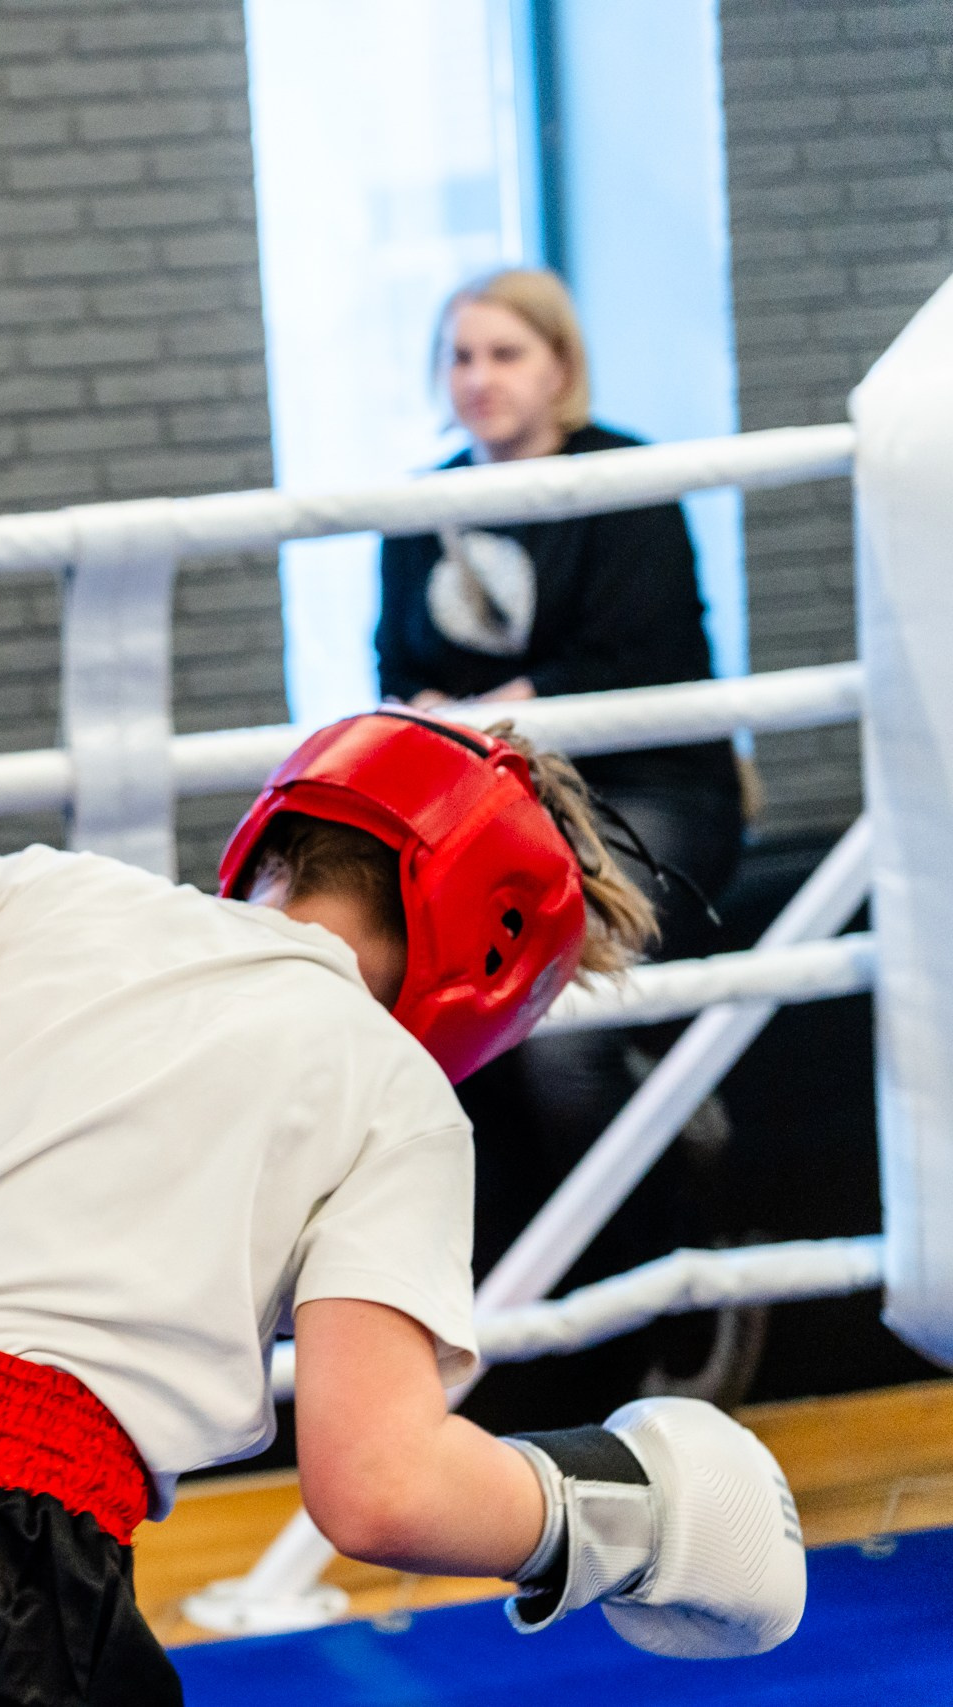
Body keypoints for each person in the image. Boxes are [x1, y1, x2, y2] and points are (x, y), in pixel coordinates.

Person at [0, 714, 804, 1705]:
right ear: (496, 953)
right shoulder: (387, 1084)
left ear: (274, 839)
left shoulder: (42, 891)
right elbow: (379, 1489)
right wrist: (634, 1518)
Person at [375, 269, 748, 1415]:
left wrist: (512, 704)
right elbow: (395, 677)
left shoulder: (625, 477)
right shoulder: (422, 504)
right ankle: (512, 1320)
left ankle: (647, 1310)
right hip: (496, 806)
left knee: (558, 1037)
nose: (479, 379)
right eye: (460, 357)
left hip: (643, 794)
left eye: (504, 355)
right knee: (426, 1025)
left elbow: (652, 661)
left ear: (558, 365)